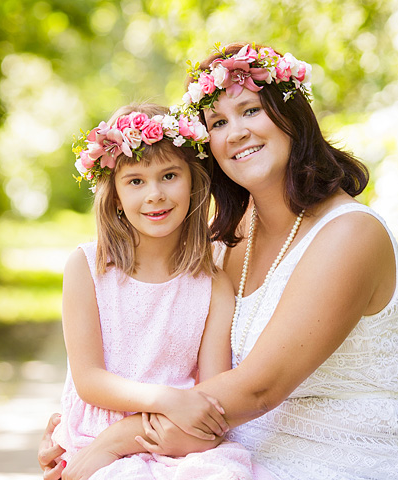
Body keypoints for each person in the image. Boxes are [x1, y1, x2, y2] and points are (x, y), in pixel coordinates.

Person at [40, 43, 398, 480]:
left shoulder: (351, 235)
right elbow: (163, 357)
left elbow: (259, 388)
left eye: (251, 110)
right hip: (227, 453)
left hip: (341, 463)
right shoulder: (225, 241)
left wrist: (113, 442)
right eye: (218, 122)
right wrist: (76, 429)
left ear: (292, 116)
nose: (236, 133)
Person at [50, 102, 276, 480]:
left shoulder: (213, 286)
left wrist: (184, 421)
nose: (154, 194)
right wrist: (166, 399)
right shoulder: (87, 268)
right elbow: (89, 380)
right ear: (116, 196)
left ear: (193, 180)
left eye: (169, 175)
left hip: (181, 440)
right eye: (135, 181)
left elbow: (212, 393)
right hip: (98, 435)